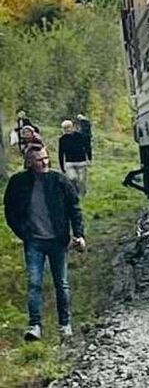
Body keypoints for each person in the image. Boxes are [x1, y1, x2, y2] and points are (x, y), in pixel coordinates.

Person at [3, 145, 86, 341]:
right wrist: (23, 232)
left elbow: (74, 207)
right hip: (34, 241)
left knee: (62, 283)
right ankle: (34, 325)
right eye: (40, 160)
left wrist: (79, 234)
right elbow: (10, 210)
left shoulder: (59, 180)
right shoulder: (18, 182)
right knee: (34, 283)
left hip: (58, 241)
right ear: (30, 162)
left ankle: (64, 324)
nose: (45, 162)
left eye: (46, 158)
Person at [58, 120, 91, 197]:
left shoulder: (80, 136)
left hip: (81, 161)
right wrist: (62, 166)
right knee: (72, 178)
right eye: (65, 128)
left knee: (82, 180)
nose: (67, 130)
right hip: (69, 163)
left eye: (68, 127)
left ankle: (83, 195)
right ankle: (75, 192)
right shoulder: (62, 139)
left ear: (72, 127)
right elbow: (61, 153)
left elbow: (87, 147)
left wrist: (89, 158)